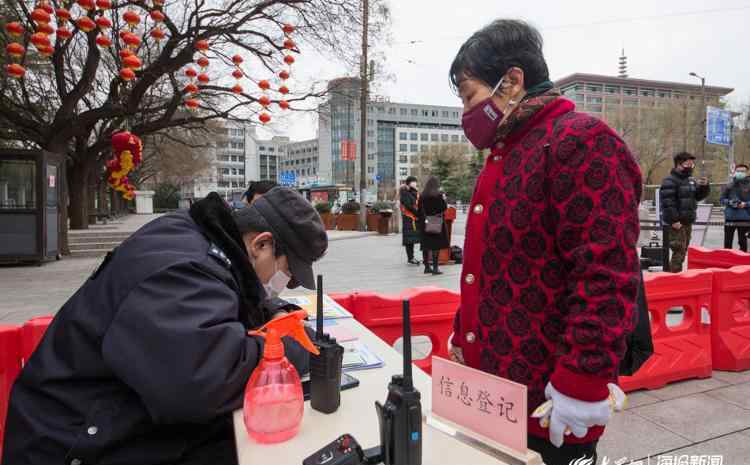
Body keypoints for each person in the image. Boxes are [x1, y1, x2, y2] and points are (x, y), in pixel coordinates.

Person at [2, 187, 328, 465]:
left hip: (115, 418)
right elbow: (205, 379)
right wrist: (292, 345)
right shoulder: (183, 268)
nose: (285, 285)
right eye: (288, 274)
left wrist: (278, 311)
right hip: (75, 444)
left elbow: (238, 294)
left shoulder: (201, 240)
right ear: (261, 244)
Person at [447, 20, 642, 465]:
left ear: (512, 81)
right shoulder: (508, 151)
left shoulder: (581, 142)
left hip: (549, 398)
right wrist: (465, 334)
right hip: (494, 386)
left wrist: (582, 382)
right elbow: (493, 264)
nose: (466, 113)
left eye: (469, 95)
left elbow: (605, 275)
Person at [659, 152, 710, 272]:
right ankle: (673, 278)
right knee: (678, 250)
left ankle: (675, 277)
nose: (691, 166)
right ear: (679, 164)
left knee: (683, 251)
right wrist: (674, 220)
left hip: (687, 222)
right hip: (677, 222)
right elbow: (667, 202)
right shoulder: (669, 181)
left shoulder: (690, 180)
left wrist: (704, 187)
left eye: (692, 164)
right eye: (688, 163)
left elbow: (697, 197)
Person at [417, 176, 450, 275]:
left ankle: (427, 267)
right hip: (436, 222)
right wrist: (444, 199)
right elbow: (443, 208)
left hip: (425, 222)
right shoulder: (438, 195)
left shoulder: (422, 195)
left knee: (426, 245)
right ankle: (435, 268)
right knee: (436, 245)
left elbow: (419, 209)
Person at [721, 163, 750, 252]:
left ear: (747, 172)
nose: (740, 173)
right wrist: (730, 202)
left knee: (743, 243)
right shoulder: (729, 185)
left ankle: (743, 264)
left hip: (745, 218)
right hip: (730, 218)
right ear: (734, 172)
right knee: (727, 243)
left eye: (742, 171)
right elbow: (722, 199)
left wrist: (745, 204)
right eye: (738, 171)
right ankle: (726, 262)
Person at [399, 176, 422, 265]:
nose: (415, 183)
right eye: (413, 182)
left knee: (412, 239)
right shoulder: (405, 192)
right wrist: (418, 213)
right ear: (409, 183)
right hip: (409, 218)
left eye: (415, 182)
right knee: (409, 240)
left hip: (414, 218)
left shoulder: (413, 192)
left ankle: (412, 257)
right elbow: (409, 205)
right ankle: (410, 257)